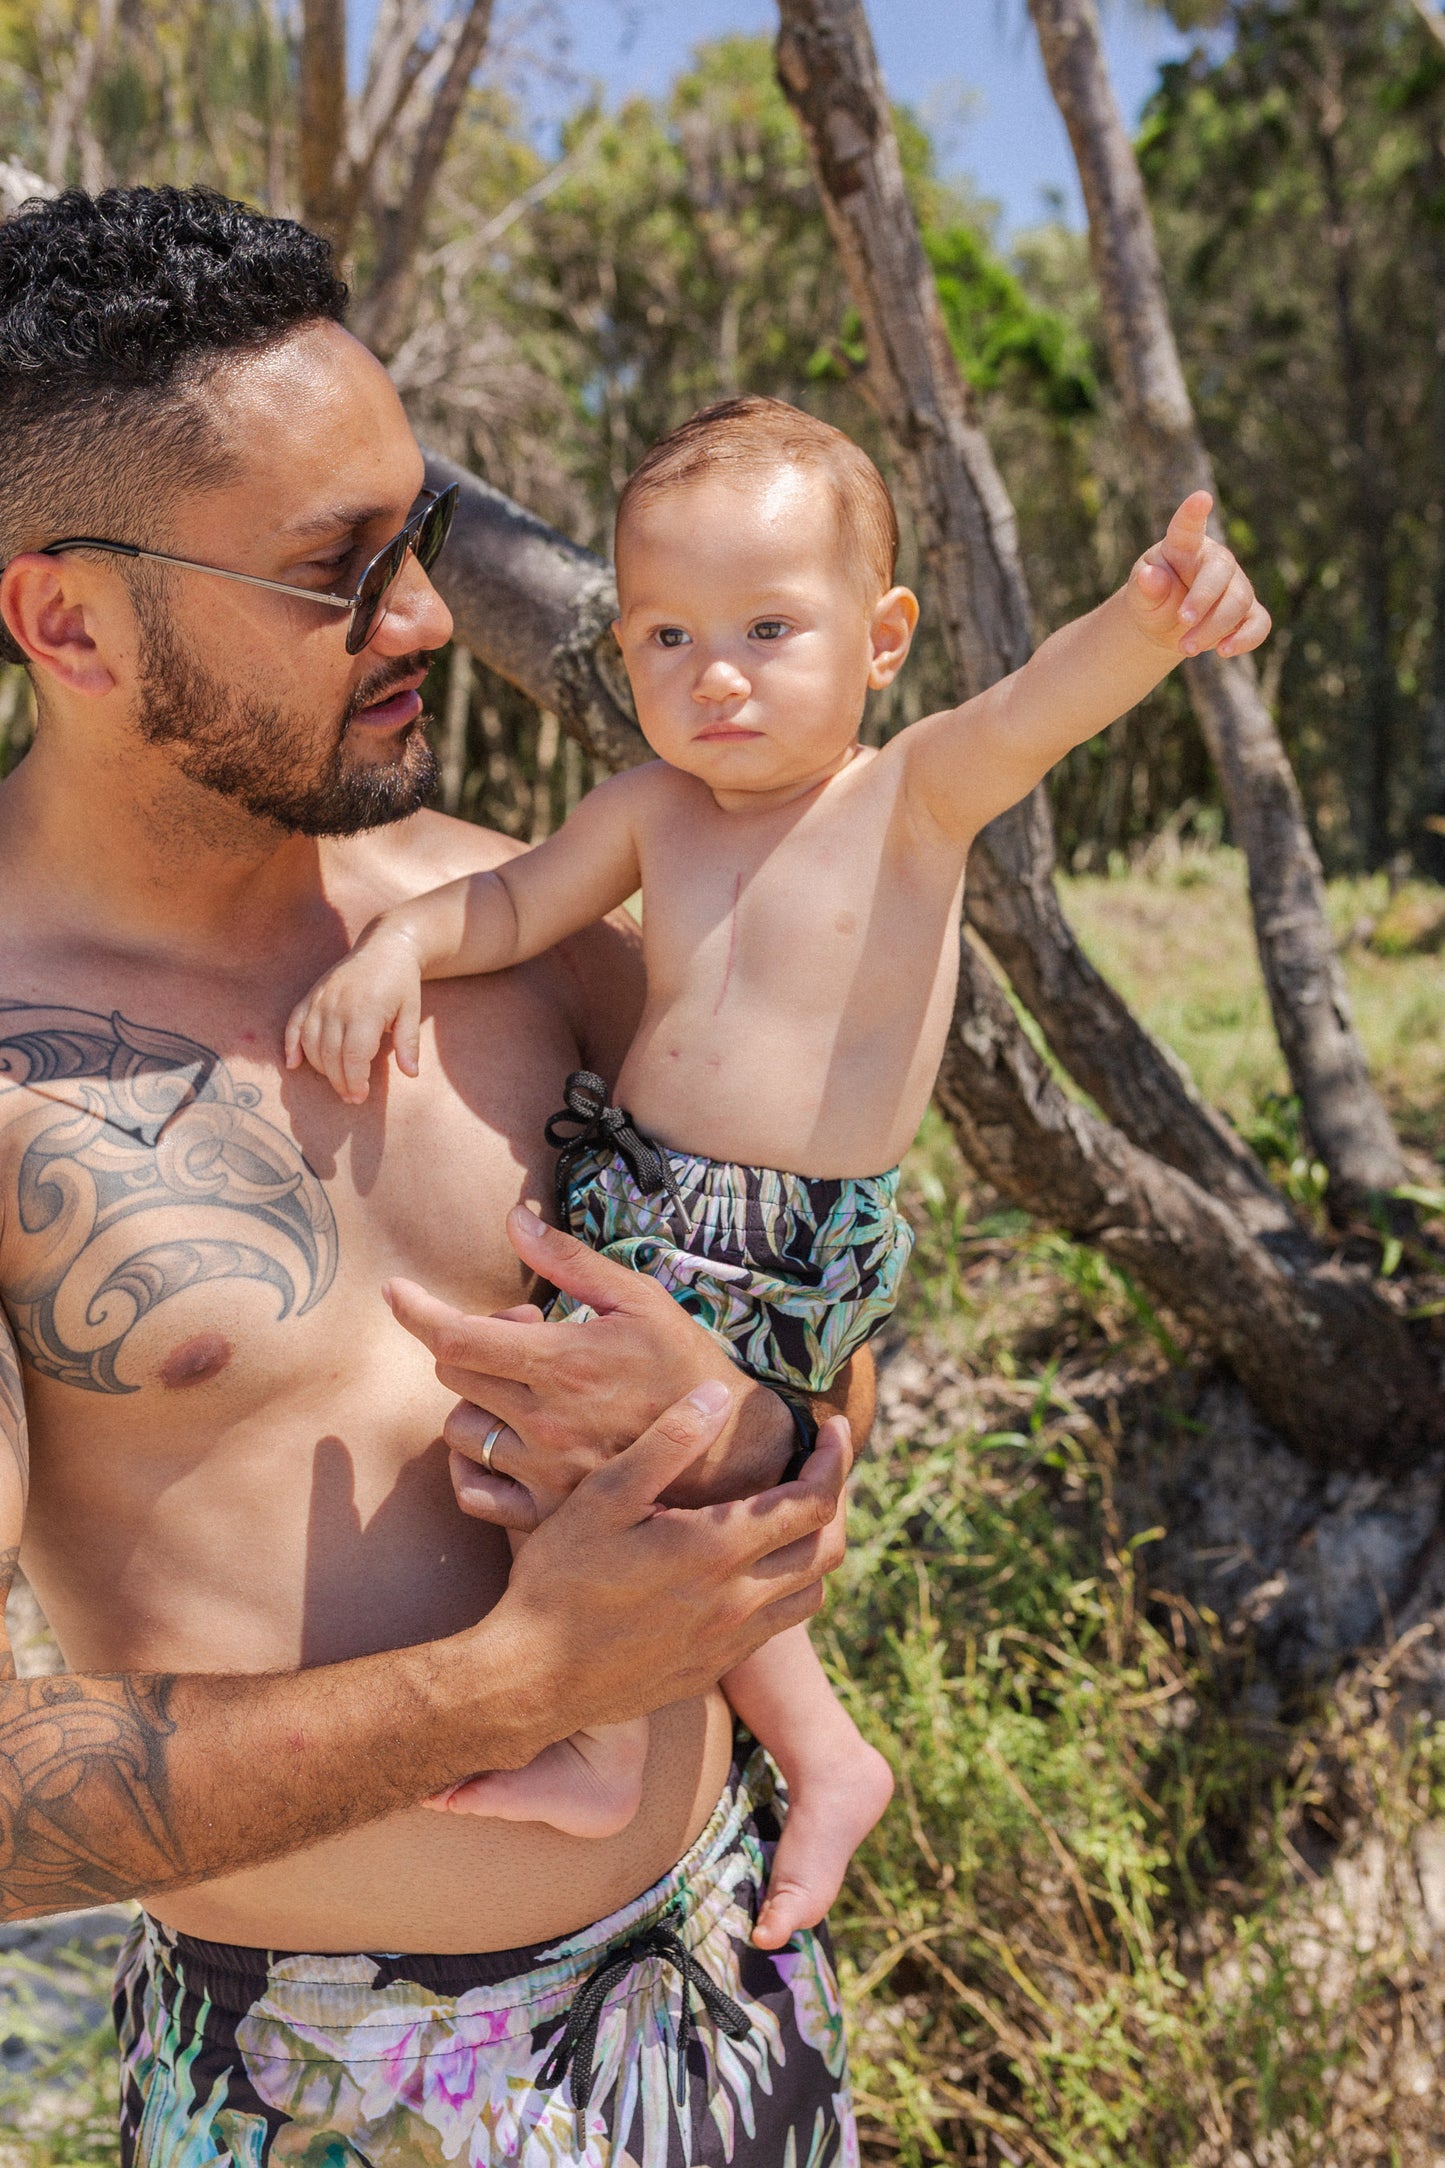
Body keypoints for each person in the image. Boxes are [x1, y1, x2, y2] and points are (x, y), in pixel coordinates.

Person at [0, 187, 868, 2167]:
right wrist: (520, 1683)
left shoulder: (522, 915)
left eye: (415, 541)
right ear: (70, 620)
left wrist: (750, 1423)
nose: (419, 619)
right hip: (316, 2092)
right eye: (333, 575)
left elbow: (809, 1329)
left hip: (724, 1986)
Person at [287, 394, 1271, 1945]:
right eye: (668, 638)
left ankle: (631, 1752)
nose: (717, 675)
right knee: (586, 1472)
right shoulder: (650, 812)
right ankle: (804, 1746)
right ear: (624, 661)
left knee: (634, 1482)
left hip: (789, 1238)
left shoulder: (904, 801)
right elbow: (516, 904)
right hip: (644, 1201)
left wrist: (1150, 620)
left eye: (764, 627)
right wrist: (404, 941)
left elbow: (1037, 705)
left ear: (879, 642)